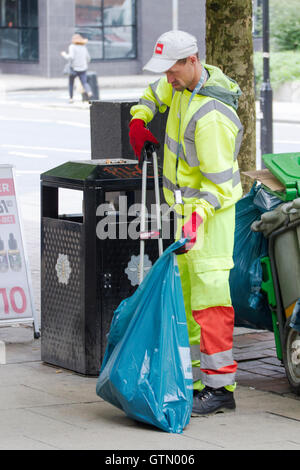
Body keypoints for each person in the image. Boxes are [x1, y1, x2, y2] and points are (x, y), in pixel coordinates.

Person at [128, 30, 243, 415]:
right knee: (188, 299)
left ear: (192, 61)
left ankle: (220, 387)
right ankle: (195, 382)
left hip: (208, 216)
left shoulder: (210, 116)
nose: (168, 78)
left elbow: (220, 185)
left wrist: (196, 217)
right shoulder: (181, 84)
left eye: (172, 70)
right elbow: (154, 93)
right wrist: (139, 119)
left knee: (210, 300)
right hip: (186, 212)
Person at [61, 33, 92, 103]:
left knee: (71, 83)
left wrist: (64, 54)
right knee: (84, 82)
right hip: (83, 68)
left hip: (74, 69)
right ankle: (89, 92)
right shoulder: (84, 47)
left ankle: (71, 98)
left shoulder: (72, 46)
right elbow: (89, 58)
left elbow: (70, 57)